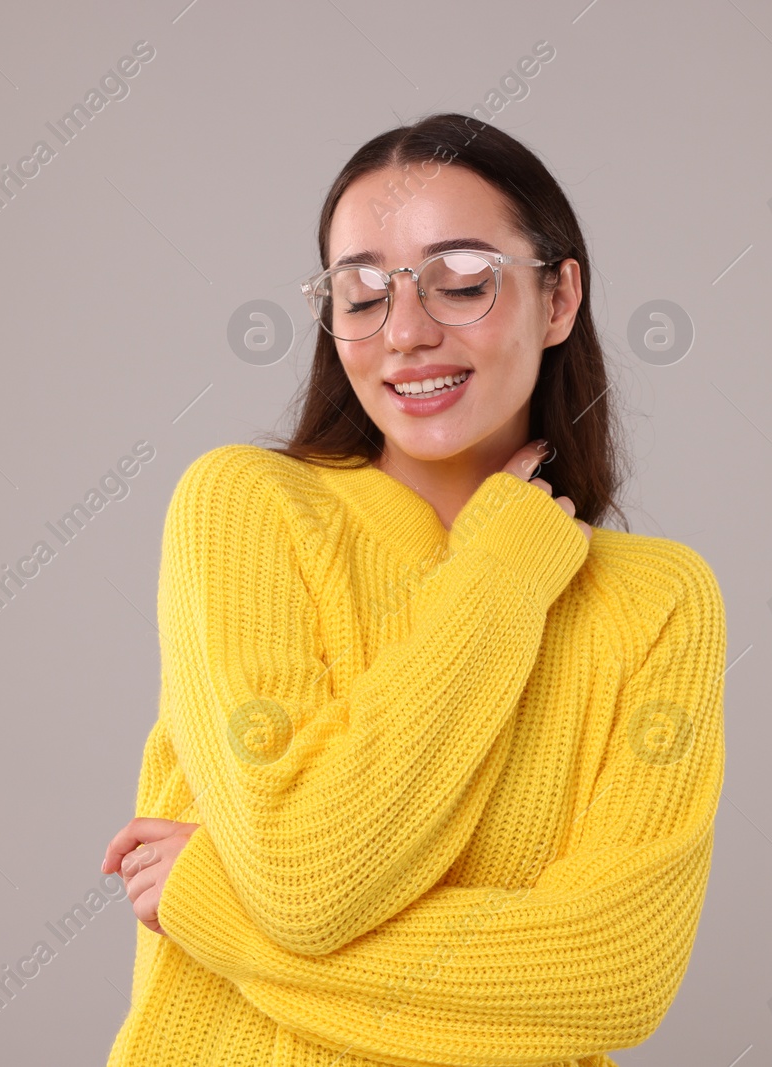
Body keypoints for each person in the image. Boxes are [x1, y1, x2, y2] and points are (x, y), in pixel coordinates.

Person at [100, 112, 727, 1067]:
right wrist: (501, 572)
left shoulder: (658, 601)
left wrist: (216, 911)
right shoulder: (248, 508)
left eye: (463, 281)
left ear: (560, 298)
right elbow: (308, 876)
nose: (406, 332)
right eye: (360, 294)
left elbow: (611, 973)